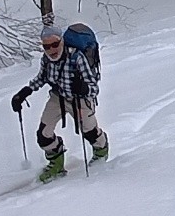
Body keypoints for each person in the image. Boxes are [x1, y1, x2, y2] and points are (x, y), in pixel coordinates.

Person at [11, 25, 109, 182]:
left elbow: (94, 87)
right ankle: (56, 163)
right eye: (46, 46)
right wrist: (25, 91)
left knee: (89, 132)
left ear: (62, 41)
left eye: (55, 44)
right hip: (58, 98)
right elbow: (42, 77)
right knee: (43, 135)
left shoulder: (76, 57)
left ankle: (101, 150)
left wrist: (83, 88)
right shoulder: (46, 59)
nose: (51, 49)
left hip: (80, 100)